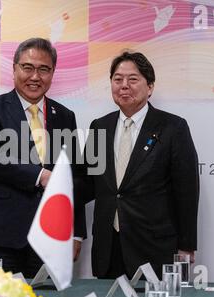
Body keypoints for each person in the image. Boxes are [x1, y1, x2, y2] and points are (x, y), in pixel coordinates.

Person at [0, 38, 86, 278]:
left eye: (44, 69)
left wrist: (76, 232)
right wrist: (41, 176)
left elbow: (74, 177)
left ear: (52, 73)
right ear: (14, 69)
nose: (35, 76)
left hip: (51, 236)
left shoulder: (65, 116)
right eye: (27, 67)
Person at [77, 51, 199, 279]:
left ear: (150, 86)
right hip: (108, 248)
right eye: (117, 79)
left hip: (155, 249)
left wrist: (187, 245)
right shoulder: (99, 127)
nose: (124, 86)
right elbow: (86, 183)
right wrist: (51, 184)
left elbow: (187, 191)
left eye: (132, 79)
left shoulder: (173, 127)